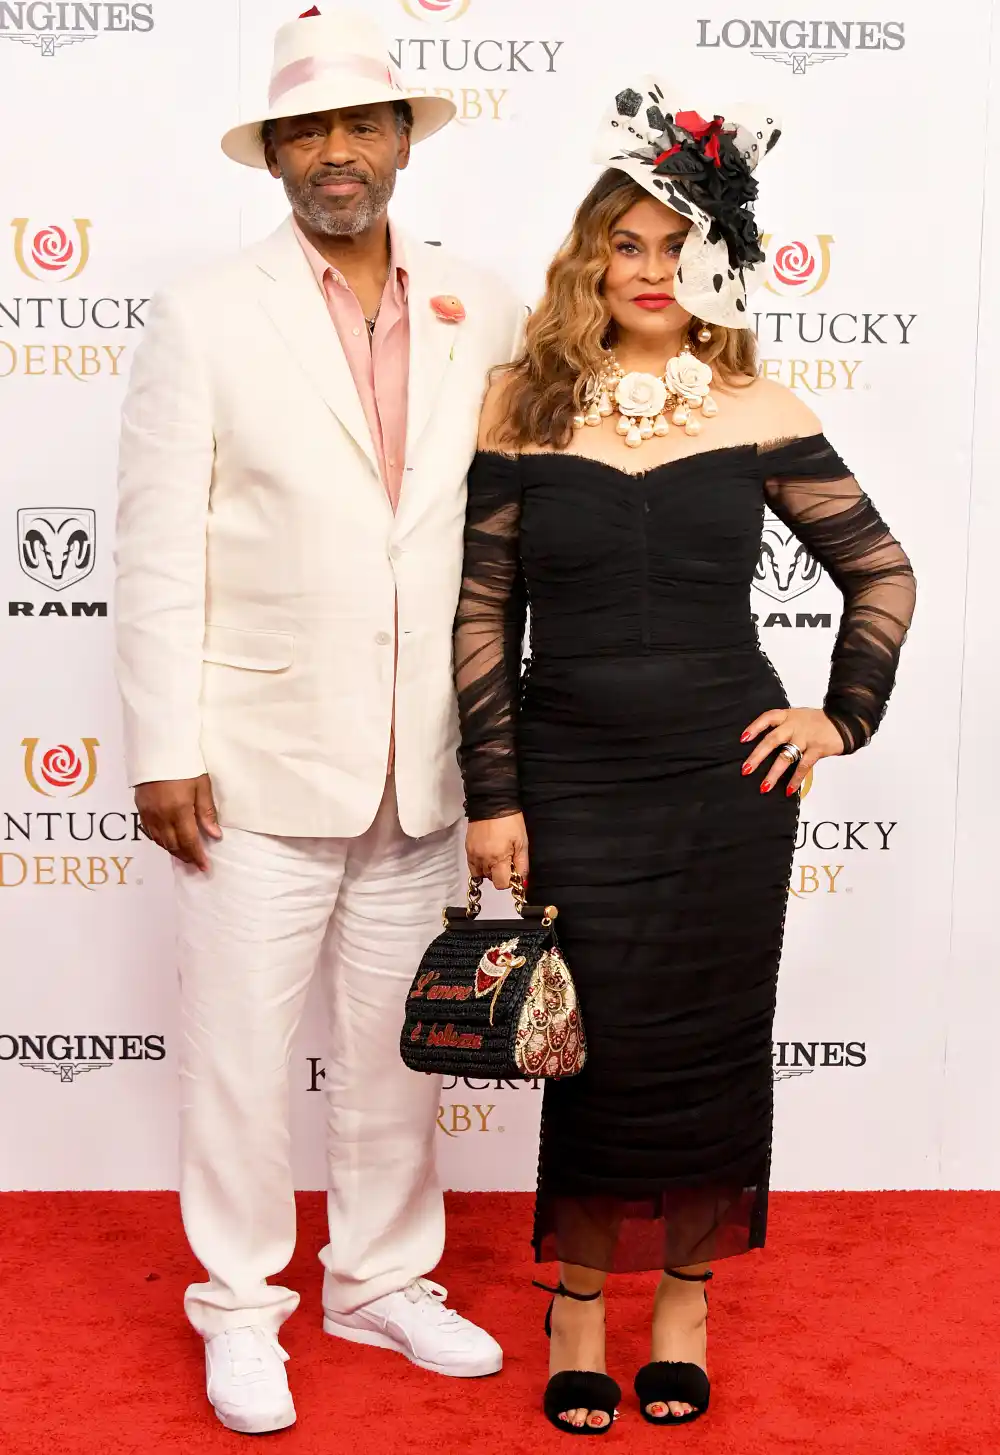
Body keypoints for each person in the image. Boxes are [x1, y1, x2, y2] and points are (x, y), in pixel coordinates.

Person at [454, 79, 916, 1434]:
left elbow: (879, 569)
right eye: (627, 243)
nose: (651, 271)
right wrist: (496, 794)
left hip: (729, 784)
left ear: (712, 257)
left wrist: (842, 713)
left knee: (712, 1040)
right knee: (594, 1046)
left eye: (676, 245)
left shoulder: (757, 402)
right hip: (575, 777)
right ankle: (580, 1304)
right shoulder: (517, 407)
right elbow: (484, 611)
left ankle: (687, 1300)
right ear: (589, 257)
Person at [114, 6, 523, 1435]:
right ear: (274, 154)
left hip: (427, 756)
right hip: (253, 761)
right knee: (236, 1052)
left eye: (360, 125)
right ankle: (237, 1304)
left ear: (404, 140)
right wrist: (164, 742)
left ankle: (381, 1278)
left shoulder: (486, 305)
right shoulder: (206, 315)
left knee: (397, 1045)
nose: (336, 153)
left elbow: (506, 536)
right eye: (307, 131)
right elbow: (159, 545)